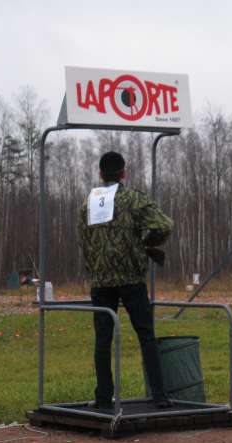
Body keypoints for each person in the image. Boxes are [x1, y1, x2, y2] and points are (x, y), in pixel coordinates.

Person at [77, 151, 174, 410]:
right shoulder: (133, 199)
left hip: (100, 281)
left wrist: (96, 268)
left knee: (103, 340)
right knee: (146, 335)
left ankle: (103, 397)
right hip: (131, 278)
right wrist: (146, 243)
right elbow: (164, 225)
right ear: (123, 173)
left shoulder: (88, 204)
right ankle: (159, 395)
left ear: (100, 173)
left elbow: (83, 242)